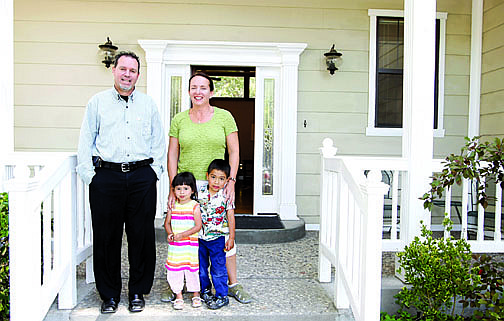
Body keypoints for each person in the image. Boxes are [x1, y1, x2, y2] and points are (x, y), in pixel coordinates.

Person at [76, 51, 166, 314]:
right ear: (114, 70)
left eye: (133, 70)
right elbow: (85, 141)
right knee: (106, 238)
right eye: (123, 69)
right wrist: (90, 177)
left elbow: (158, 142)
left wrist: (154, 172)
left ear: (138, 74)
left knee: (142, 236)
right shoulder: (97, 103)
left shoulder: (148, 104)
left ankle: (138, 291)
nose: (128, 74)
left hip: (141, 178)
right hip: (106, 178)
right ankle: (109, 294)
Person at [164, 72, 251, 304]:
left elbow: (234, 151)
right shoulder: (179, 119)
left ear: (211, 92)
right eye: (194, 87)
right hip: (187, 189)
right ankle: (180, 286)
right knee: (186, 237)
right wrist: (173, 187)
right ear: (189, 91)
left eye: (203, 87)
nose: (198, 92)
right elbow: (172, 154)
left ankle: (232, 284)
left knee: (221, 237)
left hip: (217, 186)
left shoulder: (225, 117)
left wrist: (231, 181)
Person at [198, 159, 236, 309]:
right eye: (213, 177)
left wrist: (231, 237)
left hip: (217, 238)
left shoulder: (226, 195)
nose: (216, 182)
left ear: (227, 180)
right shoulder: (200, 193)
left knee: (218, 267)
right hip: (200, 237)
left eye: (221, 179)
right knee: (201, 267)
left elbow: (231, 217)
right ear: (207, 176)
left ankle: (221, 295)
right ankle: (205, 291)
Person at [164, 172, 202, 310]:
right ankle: (178, 295)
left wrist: (183, 235)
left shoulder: (194, 206)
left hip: (189, 245)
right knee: (175, 269)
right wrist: (170, 234)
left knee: (191, 269)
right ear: (173, 190)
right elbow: (167, 223)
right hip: (176, 246)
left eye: (186, 188)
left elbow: (198, 226)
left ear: (192, 190)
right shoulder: (172, 205)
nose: (182, 192)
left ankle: (195, 293)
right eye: (178, 188)